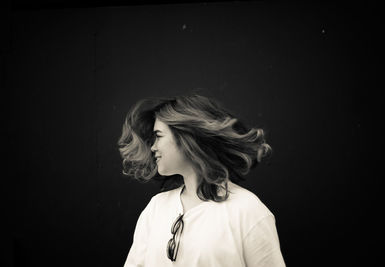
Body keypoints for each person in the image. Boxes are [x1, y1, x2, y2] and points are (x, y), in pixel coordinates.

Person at [118, 94, 285, 267]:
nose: (153, 147)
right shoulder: (156, 208)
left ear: (186, 138)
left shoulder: (248, 211)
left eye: (158, 136)